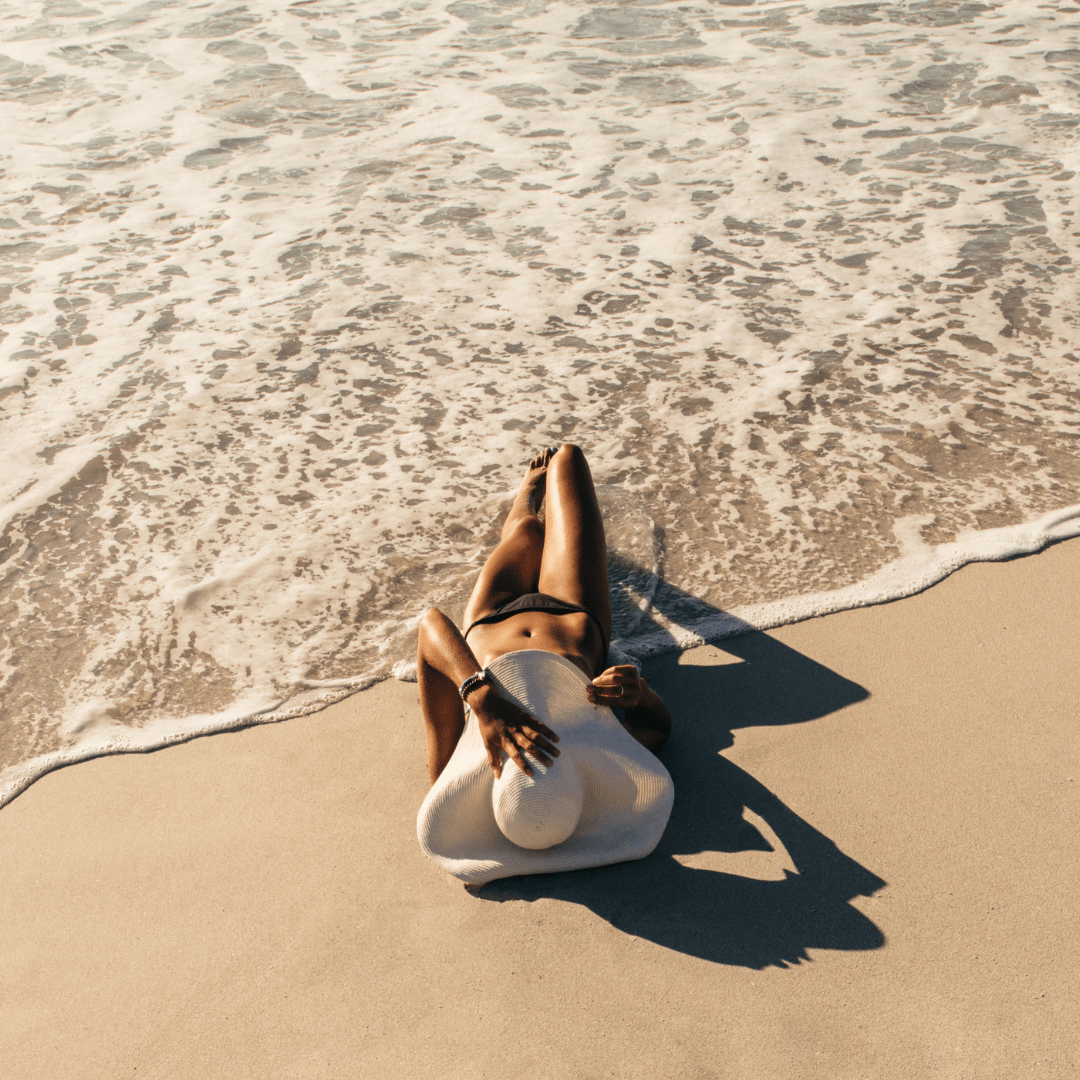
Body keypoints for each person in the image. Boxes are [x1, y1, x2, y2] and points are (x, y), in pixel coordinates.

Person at [415, 444, 674, 888]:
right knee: (568, 459)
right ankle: (537, 504)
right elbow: (658, 729)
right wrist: (637, 692)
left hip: (490, 614)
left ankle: (524, 499)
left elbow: (430, 626)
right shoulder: (594, 748)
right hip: (572, 608)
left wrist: (482, 699)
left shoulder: (453, 768)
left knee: (526, 533)